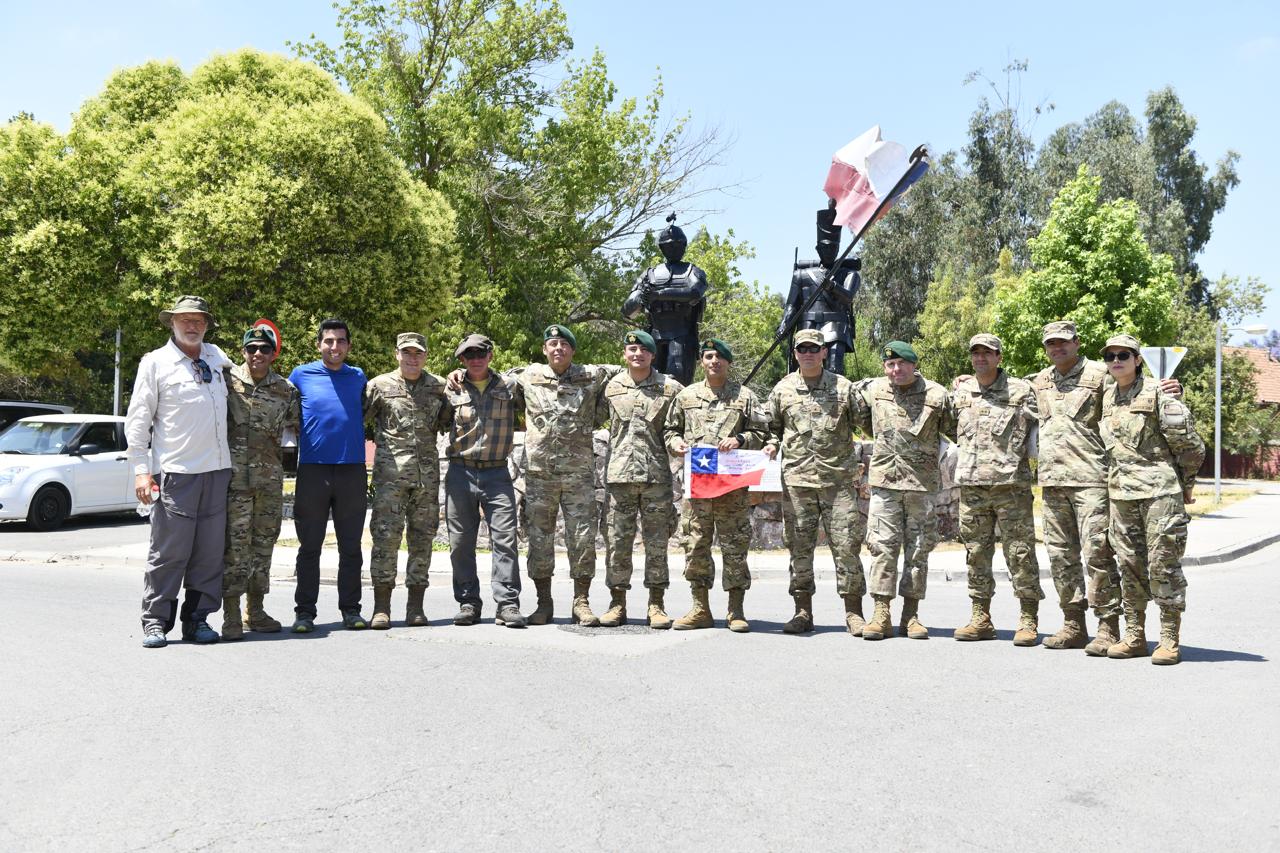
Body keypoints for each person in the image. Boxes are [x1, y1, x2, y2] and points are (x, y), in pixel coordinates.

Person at [126, 295, 233, 648]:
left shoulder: (217, 357)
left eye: (198, 320)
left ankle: (198, 619)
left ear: (206, 324)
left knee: (208, 553)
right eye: (184, 319)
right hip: (176, 473)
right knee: (169, 553)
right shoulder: (155, 363)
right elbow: (138, 422)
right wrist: (142, 471)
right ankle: (155, 621)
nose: (192, 326)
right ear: (171, 323)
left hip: (217, 472)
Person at [1098, 335, 1204, 665]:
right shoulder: (1107, 396)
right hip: (1121, 495)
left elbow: (1190, 446)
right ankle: (1134, 635)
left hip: (1159, 493)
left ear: (1137, 359)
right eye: (1111, 356)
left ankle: (1169, 638)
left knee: (1163, 565)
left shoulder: (1160, 393)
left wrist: (1184, 485)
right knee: (1128, 565)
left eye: (1124, 355)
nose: (1116, 360)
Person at [852, 341, 957, 641]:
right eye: (890, 365)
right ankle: (880, 613)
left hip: (921, 487)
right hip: (885, 484)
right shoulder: (874, 391)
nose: (895, 370)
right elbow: (864, 422)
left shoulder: (936, 395)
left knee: (918, 551)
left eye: (901, 364)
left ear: (914, 364)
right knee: (881, 548)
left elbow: (952, 427)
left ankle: (911, 615)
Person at [764, 328, 866, 635]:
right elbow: (771, 428)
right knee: (799, 549)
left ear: (824, 353)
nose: (808, 353)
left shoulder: (844, 388)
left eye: (814, 348)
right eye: (802, 348)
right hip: (798, 484)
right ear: (795, 353)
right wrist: (769, 444)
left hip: (838, 484)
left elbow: (870, 421)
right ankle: (802, 611)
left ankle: (854, 613)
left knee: (847, 547)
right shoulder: (782, 390)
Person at [663, 339, 770, 632]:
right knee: (696, 545)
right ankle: (700, 608)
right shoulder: (686, 396)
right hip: (698, 488)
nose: (715, 361)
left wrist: (740, 440)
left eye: (720, 357)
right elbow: (670, 430)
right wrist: (676, 443)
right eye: (709, 356)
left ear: (729, 363)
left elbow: (762, 431)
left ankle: (735, 610)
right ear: (701, 361)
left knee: (735, 546)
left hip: (731, 488)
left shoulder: (745, 397)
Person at [950, 334, 1045, 645]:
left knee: (1020, 554)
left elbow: (1054, 403)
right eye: (975, 353)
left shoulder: (1021, 391)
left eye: (987, 353)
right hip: (972, 487)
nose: (981, 358)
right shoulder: (961, 392)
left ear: (999, 357)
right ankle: (981, 617)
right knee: (976, 554)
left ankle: (1028, 618)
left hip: (1011, 488)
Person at [364, 332, 451, 629]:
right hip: (390, 480)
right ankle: (381, 608)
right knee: (385, 542)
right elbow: (359, 421)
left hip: (426, 481)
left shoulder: (439, 388)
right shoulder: (378, 386)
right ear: (396, 354)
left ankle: (416, 607)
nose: (412, 358)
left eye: (418, 353)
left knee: (422, 542)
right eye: (407, 353)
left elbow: (448, 421)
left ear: (425, 356)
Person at [288, 319, 368, 633]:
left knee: (351, 547)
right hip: (313, 469)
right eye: (329, 341)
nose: (334, 347)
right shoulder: (300, 375)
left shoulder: (358, 377)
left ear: (348, 345)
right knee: (310, 546)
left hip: (352, 470)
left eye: (340, 341)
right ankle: (304, 613)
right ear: (319, 344)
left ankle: (351, 610)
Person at [600, 330, 684, 628]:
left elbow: (683, 425)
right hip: (619, 477)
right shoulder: (611, 387)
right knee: (617, 542)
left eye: (643, 350)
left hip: (656, 478)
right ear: (625, 354)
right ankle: (616, 603)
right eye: (631, 349)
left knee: (657, 542)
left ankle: (657, 605)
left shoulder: (670, 388)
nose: (637, 354)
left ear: (652, 355)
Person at [220, 325, 299, 640]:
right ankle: (230, 615)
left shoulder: (285, 389)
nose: (257, 354)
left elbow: (295, 431)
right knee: (233, 548)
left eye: (264, 349)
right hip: (234, 481)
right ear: (243, 351)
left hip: (269, 481)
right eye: (251, 349)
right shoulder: (226, 382)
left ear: (273, 354)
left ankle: (256, 610)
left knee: (263, 545)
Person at [445, 334, 525, 628]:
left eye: (481, 353)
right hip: (460, 471)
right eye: (469, 355)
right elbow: (439, 420)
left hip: (496, 473)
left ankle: (507, 604)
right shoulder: (449, 389)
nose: (476, 359)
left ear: (491, 356)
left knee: (505, 538)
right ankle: (468, 602)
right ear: (462, 360)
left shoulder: (510, 385)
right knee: (460, 542)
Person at [621, 215, 709, 385]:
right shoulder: (650, 275)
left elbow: (694, 293)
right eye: (669, 246)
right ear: (662, 248)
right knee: (647, 383)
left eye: (678, 245)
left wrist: (659, 295)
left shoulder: (692, 271)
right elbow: (627, 311)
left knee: (678, 382)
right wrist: (642, 296)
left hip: (681, 336)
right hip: (654, 337)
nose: (674, 249)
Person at [777, 200, 861, 375]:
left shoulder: (848, 274)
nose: (829, 251)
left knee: (834, 369)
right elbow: (792, 304)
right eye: (825, 247)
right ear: (817, 248)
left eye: (833, 248)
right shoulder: (802, 275)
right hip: (807, 324)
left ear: (838, 248)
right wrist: (784, 324)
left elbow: (847, 297)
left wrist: (832, 286)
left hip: (836, 326)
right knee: (803, 369)